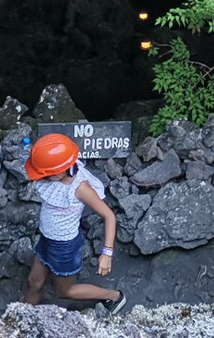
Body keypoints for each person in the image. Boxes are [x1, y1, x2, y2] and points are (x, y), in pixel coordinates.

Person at [22, 133, 127, 315]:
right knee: (34, 282)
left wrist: (107, 254)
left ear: (62, 170)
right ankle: (20, 321)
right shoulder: (53, 177)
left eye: (46, 173)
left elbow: (109, 216)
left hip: (64, 247)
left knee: (65, 291)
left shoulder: (80, 188)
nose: (42, 178)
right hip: (46, 239)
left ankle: (114, 295)